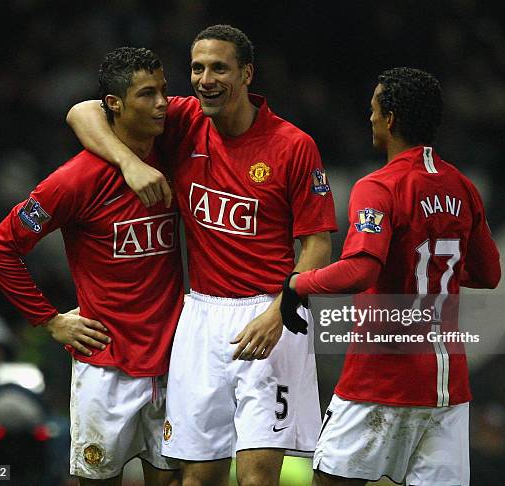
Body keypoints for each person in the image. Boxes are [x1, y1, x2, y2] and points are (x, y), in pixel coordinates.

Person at [66, 25, 337, 486]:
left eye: (219, 68)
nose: (205, 78)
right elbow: (82, 112)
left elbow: (317, 245)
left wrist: (282, 311)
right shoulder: (184, 120)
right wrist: (129, 163)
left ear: (247, 73)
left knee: (256, 478)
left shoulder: (293, 145)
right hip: (201, 315)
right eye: (197, 67)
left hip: (271, 313)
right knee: (195, 479)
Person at [281, 67, 501, 485]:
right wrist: (440, 272)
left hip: (383, 377)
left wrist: (296, 283)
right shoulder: (464, 187)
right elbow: (489, 274)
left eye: (373, 110)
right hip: (447, 387)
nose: (370, 118)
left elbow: (360, 271)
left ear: (392, 119)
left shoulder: (379, 186)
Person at [0, 47, 183, 486]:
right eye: (147, 94)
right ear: (115, 104)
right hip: (106, 364)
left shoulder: (175, 151)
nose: (163, 103)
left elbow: (83, 111)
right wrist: (50, 320)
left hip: (175, 362)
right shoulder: (74, 180)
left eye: (164, 91)